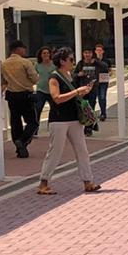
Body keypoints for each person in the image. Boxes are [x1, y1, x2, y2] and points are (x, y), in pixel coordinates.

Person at [36, 47, 99, 196]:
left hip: (74, 118)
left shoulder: (71, 76)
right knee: (55, 150)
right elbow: (56, 98)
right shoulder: (54, 77)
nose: (73, 62)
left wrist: (83, 91)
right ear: (62, 61)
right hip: (59, 119)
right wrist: (77, 91)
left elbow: (72, 96)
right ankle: (43, 182)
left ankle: (88, 181)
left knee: (82, 150)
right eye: (71, 59)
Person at [2, 39, 40, 158]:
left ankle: (19, 146)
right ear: (18, 49)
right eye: (23, 48)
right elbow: (35, 79)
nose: (25, 50)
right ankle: (23, 141)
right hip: (26, 94)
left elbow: (3, 80)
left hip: (12, 95)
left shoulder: (4, 64)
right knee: (33, 122)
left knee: (15, 121)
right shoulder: (25, 62)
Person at [75, 47, 99, 136]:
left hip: (93, 89)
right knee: (82, 108)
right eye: (85, 53)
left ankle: (89, 128)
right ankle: (90, 123)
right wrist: (78, 74)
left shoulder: (96, 63)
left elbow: (104, 68)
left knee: (91, 108)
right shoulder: (80, 63)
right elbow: (74, 74)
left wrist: (96, 61)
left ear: (92, 54)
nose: (87, 55)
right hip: (82, 89)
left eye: (89, 53)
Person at [33, 47, 55, 133]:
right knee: (38, 109)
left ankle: (51, 128)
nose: (46, 55)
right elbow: (33, 75)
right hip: (41, 90)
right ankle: (35, 130)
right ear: (41, 55)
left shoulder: (54, 65)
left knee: (53, 110)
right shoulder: (37, 65)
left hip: (52, 90)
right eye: (44, 53)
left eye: (47, 53)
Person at [92, 43, 111, 122]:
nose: (99, 52)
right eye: (97, 50)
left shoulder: (107, 61)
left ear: (103, 51)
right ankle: (92, 114)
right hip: (95, 81)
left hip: (103, 81)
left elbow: (109, 69)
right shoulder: (93, 60)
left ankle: (103, 113)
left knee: (102, 97)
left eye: (100, 50)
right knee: (93, 98)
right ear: (95, 51)